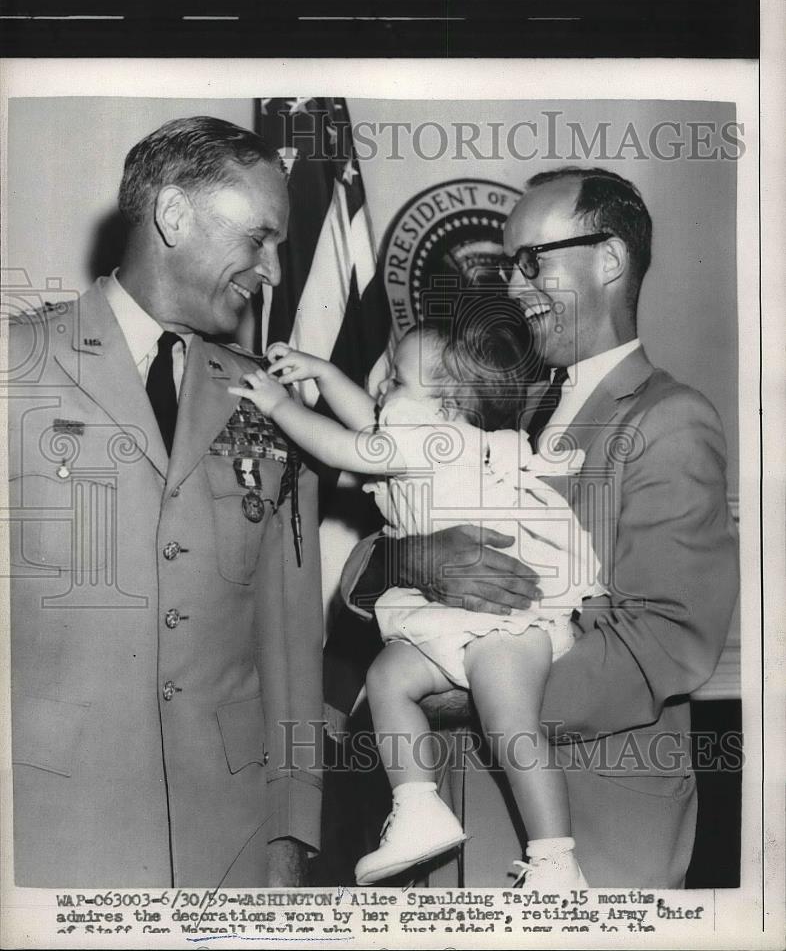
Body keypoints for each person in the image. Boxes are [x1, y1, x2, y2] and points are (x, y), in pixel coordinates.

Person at [340, 166, 739, 887]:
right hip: (464, 835)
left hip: (599, 840)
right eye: (509, 264)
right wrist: (409, 562)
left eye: (533, 262)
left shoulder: (668, 419)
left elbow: (668, 641)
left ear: (609, 260)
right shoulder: (502, 408)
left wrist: (468, 692)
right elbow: (380, 545)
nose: (514, 287)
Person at [7, 116, 323, 888]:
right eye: (259, 239)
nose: (273, 270)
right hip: (53, 832)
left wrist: (291, 829)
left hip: (233, 836)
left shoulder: (268, 401)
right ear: (174, 216)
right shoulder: (17, 367)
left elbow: (288, 635)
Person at [230, 306, 601, 889]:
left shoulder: (436, 442)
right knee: (387, 678)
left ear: (447, 409)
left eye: (398, 380)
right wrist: (324, 373)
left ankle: (556, 860)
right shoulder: (423, 434)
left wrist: (281, 407)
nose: (382, 387)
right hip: (451, 620)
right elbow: (375, 425)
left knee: (511, 726)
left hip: (502, 622)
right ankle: (418, 806)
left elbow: (345, 447)